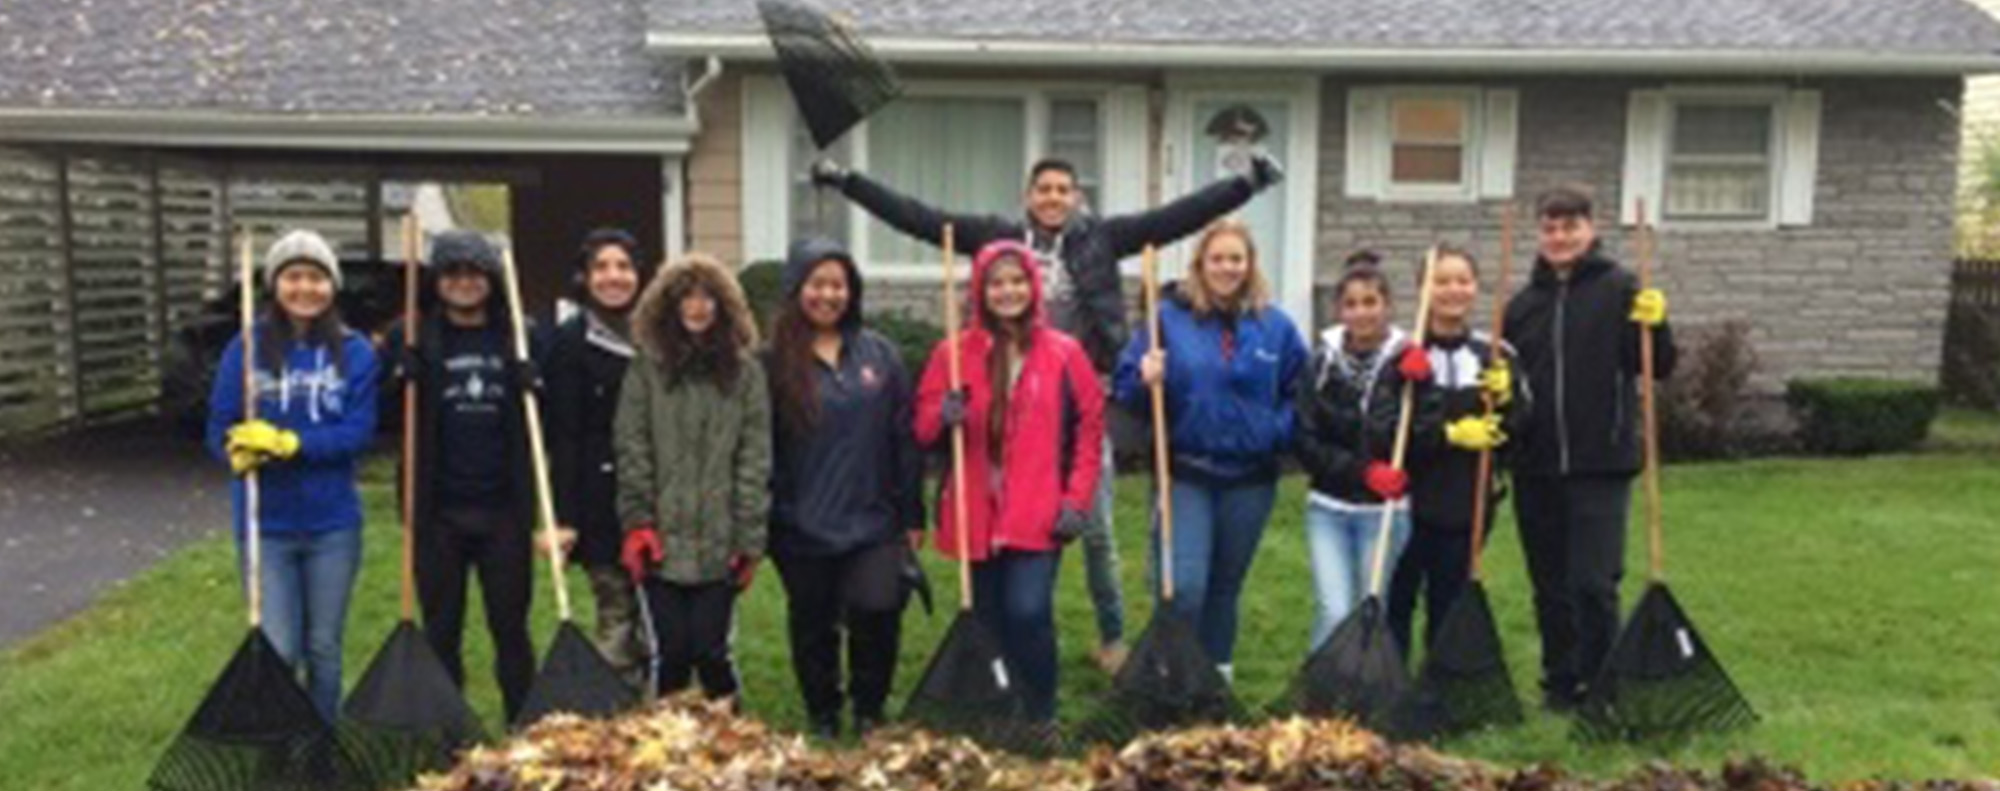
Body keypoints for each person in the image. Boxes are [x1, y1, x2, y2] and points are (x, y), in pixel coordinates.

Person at [814, 154, 1284, 671]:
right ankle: (1003, 634)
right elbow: (919, 218)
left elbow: (1178, 216)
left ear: (1077, 197)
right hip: (1008, 396)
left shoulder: (1100, 239)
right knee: (1006, 505)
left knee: (1096, 527)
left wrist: (1248, 183)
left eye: (1064, 189)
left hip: (1081, 395)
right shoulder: (997, 238)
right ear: (1028, 196)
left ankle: (1112, 636)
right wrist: (848, 182)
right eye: (1044, 189)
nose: (1053, 197)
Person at [913, 240, 1104, 722]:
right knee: (989, 619)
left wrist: (1077, 499)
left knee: (1028, 611)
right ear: (981, 291)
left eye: (1017, 281)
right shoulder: (952, 355)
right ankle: (1000, 705)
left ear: (1033, 287)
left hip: (1039, 511)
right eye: (996, 283)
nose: (1007, 291)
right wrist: (944, 412)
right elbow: (921, 426)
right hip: (976, 510)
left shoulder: (1064, 353)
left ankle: (1041, 711)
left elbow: (1090, 426)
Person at [1111, 219, 1307, 682]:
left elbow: (1301, 393)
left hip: (1251, 478)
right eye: (1218, 258)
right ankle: (1169, 674)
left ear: (1250, 264)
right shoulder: (1168, 321)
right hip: (1187, 474)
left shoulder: (1275, 327)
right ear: (1201, 264)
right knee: (1184, 588)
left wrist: (1273, 431)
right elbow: (1125, 390)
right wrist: (1144, 377)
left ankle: (1215, 679)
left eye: (1236, 258)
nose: (1227, 267)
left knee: (1224, 588)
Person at [1504, 187, 1675, 711]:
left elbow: (1657, 365)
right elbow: (1510, 386)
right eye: (1550, 228)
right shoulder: (1520, 306)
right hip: (1535, 464)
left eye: (1570, 227)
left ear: (1591, 229)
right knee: (1550, 586)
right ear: (1540, 234)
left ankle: (1604, 684)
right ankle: (1560, 683)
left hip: (1601, 460)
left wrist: (1656, 325)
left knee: (1593, 583)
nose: (1559, 237)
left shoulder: (1621, 288)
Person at [208, 229, 380, 720]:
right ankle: (284, 744)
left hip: (333, 525)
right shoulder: (245, 348)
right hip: (267, 526)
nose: (306, 288)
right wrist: (236, 452)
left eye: (317, 277)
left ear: (332, 285)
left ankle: (323, 748)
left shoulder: (355, 352)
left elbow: (357, 433)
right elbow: (218, 428)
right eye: (293, 276)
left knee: (324, 649)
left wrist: (291, 444)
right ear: (275, 284)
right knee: (281, 649)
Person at [763, 237, 925, 739]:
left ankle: (869, 707)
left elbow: (904, 437)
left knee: (877, 611)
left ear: (851, 292)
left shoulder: (882, 355)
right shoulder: (770, 363)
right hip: (800, 521)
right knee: (813, 624)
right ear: (796, 289)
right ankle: (823, 710)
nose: (828, 295)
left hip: (874, 519)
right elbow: (759, 445)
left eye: (838, 285)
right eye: (817, 283)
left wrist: (913, 514)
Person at [385, 230, 539, 723]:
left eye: (475, 272)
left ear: (492, 280)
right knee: (442, 630)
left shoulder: (519, 334)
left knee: (511, 629)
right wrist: (399, 377)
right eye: (453, 272)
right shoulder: (411, 336)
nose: (465, 282)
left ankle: (523, 728)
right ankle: (449, 730)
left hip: (503, 514)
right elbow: (387, 423)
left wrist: (535, 381)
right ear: (437, 281)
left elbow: (552, 421)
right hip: (437, 513)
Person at [615, 252, 771, 701]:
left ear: (724, 306)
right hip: (661, 538)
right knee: (670, 653)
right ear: (670, 305)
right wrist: (638, 523)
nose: (698, 307)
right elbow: (633, 446)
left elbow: (754, 458)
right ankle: (667, 750)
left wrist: (748, 538)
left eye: (708, 298)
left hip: (719, 540)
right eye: (687, 297)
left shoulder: (745, 374)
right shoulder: (646, 369)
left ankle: (736, 744)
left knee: (712, 651)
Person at [1386, 245, 1529, 656]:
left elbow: (1521, 431)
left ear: (1476, 287)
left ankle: (1437, 687)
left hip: (1467, 502)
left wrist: (1508, 399)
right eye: (1441, 281)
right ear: (1422, 289)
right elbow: (1382, 431)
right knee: (1397, 597)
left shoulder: (1496, 354)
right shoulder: (1402, 356)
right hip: (1405, 502)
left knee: (1448, 601)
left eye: (1462, 280)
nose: (1453, 290)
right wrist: (1443, 434)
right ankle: (1392, 687)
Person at [544, 228, 653, 685]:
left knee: (659, 616)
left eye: (624, 266)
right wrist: (563, 516)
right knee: (616, 613)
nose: (614, 277)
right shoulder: (570, 343)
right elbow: (564, 435)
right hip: (598, 497)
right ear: (585, 278)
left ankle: (662, 707)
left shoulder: (659, 336)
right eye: (602, 267)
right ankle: (612, 714)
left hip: (655, 494)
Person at [1294, 259, 1415, 652]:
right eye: (1352, 304)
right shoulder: (1320, 364)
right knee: (1333, 608)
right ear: (1339, 311)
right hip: (1328, 507)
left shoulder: (1405, 364)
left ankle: (1367, 695)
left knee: (1372, 608)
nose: (1362, 312)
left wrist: (1425, 387)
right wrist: (1362, 471)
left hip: (1385, 513)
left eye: (1370, 302)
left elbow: (1424, 434)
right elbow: (1305, 440)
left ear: (1388, 305)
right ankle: (1320, 699)